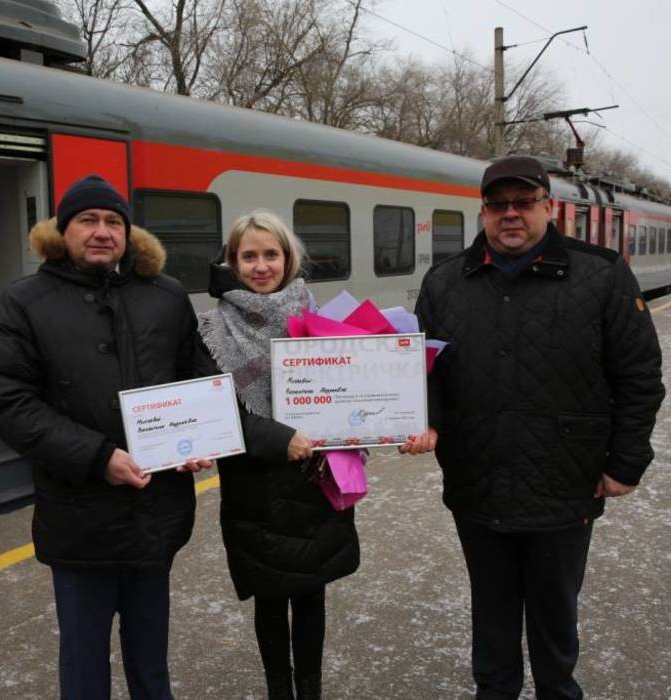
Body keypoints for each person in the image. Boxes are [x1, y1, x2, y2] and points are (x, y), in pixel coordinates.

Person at [407, 156, 664, 699]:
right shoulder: (445, 282)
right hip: (478, 482)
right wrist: (421, 421)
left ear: (548, 207)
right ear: (483, 211)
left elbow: (639, 375)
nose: (511, 215)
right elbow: (423, 374)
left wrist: (625, 463)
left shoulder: (601, 274)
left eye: (524, 203)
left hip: (563, 485)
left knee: (554, 621)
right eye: (498, 205)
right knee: (492, 619)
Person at [0, 174, 211, 700]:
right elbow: (7, 400)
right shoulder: (24, 302)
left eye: (113, 221)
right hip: (78, 514)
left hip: (156, 512)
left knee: (152, 655)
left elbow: (197, 379)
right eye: (88, 220)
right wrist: (98, 456)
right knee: (83, 662)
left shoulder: (167, 296)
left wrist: (198, 441)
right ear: (64, 231)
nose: (102, 231)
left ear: (128, 234)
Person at [197, 211, 360, 700]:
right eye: (249, 256)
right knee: (269, 601)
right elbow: (216, 411)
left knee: (312, 595)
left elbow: (352, 392)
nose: (261, 266)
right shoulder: (211, 330)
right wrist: (278, 439)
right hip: (256, 489)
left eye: (271, 254)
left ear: (288, 260)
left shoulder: (319, 317)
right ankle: (279, 692)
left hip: (315, 481)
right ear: (232, 262)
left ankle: (309, 691)